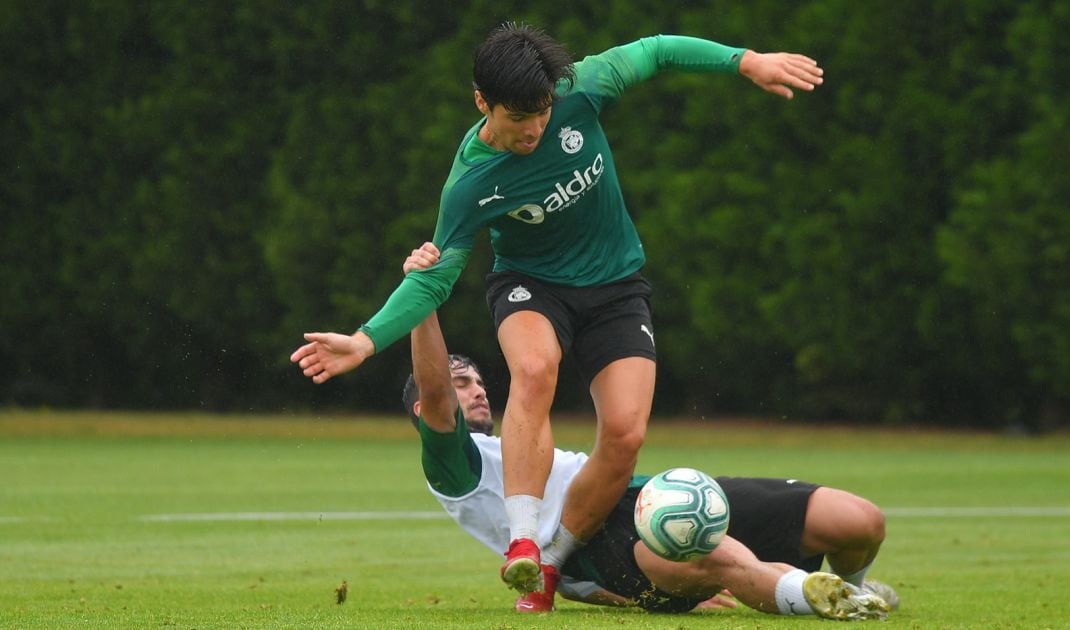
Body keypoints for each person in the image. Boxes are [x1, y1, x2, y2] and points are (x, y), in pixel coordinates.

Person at [291, 23, 826, 595]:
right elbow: (435, 276)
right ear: (482, 103)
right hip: (531, 285)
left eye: (543, 113)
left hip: (617, 288)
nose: (535, 129)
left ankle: (548, 563)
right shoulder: (470, 184)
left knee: (624, 434)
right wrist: (365, 339)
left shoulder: (582, 88)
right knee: (534, 368)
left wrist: (745, 62)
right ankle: (521, 539)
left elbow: (656, 50)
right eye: (519, 117)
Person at [400, 246, 896, 618]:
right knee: (729, 561)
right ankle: (828, 603)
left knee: (858, 520)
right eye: (464, 384)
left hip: (654, 494)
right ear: (424, 410)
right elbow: (436, 389)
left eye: (478, 381)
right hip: (604, 547)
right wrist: (424, 294)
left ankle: (855, 588)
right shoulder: (451, 467)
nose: (478, 390)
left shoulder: (512, 437)